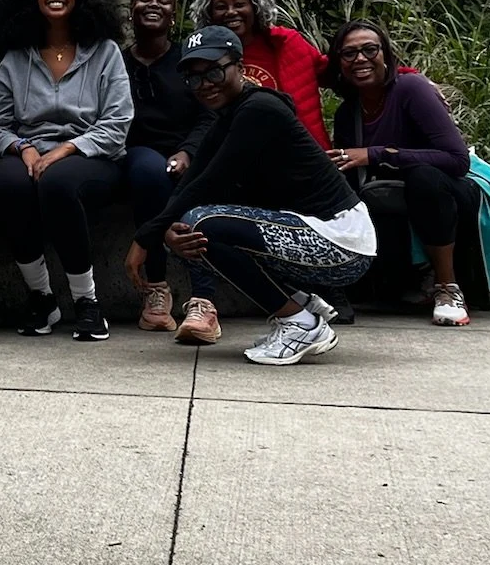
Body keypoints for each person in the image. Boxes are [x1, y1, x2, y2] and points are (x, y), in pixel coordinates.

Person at [125, 25, 376, 366]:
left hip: (342, 242)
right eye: (194, 78)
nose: (206, 84)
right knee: (187, 229)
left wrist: (146, 238)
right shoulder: (227, 118)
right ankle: (303, 305)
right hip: (315, 235)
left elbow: (210, 182)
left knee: (200, 222)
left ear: (240, 67)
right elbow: (192, 178)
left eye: (214, 71)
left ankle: (301, 323)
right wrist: (164, 231)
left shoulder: (259, 110)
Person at [0, 0, 133, 343]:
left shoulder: (105, 52)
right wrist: (23, 148)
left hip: (91, 156)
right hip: (30, 152)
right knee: (10, 182)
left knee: (57, 183)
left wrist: (66, 149)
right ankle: (42, 297)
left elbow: (117, 124)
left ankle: (87, 302)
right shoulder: (15, 57)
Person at [326, 19, 474, 327]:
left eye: (369, 49)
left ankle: (448, 287)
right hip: (392, 198)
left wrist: (376, 153)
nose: (360, 59)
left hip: (446, 191)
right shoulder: (347, 113)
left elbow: (457, 160)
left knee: (423, 177)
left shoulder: (411, 89)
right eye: (349, 53)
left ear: (386, 55)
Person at [122, 0, 217, 334]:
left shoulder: (188, 62)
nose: (153, 5)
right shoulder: (116, 62)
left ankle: (204, 300)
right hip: (134, 154)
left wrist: (188, 151)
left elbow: (209, 112)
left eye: (163, 1)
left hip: (186, 150)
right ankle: (157, 288)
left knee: (196, 185)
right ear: (131, 10)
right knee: (150, 172)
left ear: (173, 15)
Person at [191, 0, 330, 148]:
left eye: (239, 4)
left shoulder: (286, 43)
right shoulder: (204, 58)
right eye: (221, 6)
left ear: (255, 6)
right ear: (209, 12)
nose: (231, 12)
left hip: (302, 152)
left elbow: (335, 75)